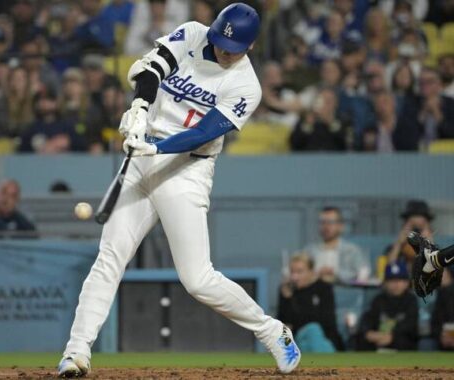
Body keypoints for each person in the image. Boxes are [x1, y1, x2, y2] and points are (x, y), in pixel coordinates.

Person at [57, 4, 301, 378]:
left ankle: (272, 331)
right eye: (220, 41)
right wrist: (139, 108)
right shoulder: (192, 34)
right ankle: (76, 353)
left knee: (197, 278)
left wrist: (154, 148)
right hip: (142, 154)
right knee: (110, 256)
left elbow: (206, 133)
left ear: (250, 48)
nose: (222, 51)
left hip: (186, 169)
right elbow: (152, 69)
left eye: (232, 48)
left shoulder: (246, 86)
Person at [278, 253, 343, 352]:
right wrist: (288, 300)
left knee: (313, 330)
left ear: (311, 272)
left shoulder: (323, 288)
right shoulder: (287, 291)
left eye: (300, 272)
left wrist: (300, 320)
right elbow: (283, 324)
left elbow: (327, 321)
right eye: (292, 272)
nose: (295, 277)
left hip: (323, 338)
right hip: (296, 339)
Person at [358, 260, 418, 351]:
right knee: (361, 341)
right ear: (385, 283)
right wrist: (369, 333)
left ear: (407, 283)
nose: (396, 284)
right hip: (378, 339)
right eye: (392, 280)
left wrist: (392, 336)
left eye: (400, 280)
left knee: (405, 340)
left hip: (401, 342)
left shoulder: (411, 300)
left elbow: (410, 325)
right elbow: (368, 318)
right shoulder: (379, 300)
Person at [393, 67, 454, 150]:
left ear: (439, 84)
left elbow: (451, 133)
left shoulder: (450, 104)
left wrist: (437, 114)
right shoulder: (411, 104)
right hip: (418, 155)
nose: (424, 85)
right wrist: (422, 115)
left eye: (429, 81)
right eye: (421, 82)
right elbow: (402, 138)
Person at [304, 207, 369, 284]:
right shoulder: (309, 251)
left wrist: (335, 273)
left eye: (330, 222)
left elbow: (363, 274)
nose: (326, 226)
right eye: (322, 222)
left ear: (340, 226)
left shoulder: (352, 250)